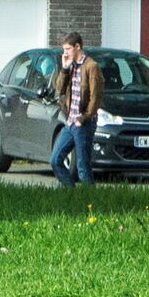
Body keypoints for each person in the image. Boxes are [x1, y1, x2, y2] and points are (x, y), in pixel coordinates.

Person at [48, 31, 101, 186]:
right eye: (63, 50)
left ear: (77, 47)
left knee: (82, 166)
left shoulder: (91, 67)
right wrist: (64, 69)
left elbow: (96, 98)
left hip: (83, 123)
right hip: (70, 122)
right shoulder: (70, 66)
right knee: (55, 160)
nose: (65, 53)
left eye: (68, 49)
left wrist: (84, 118)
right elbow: (59, 89)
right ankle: (71, 193)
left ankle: (89, 200)